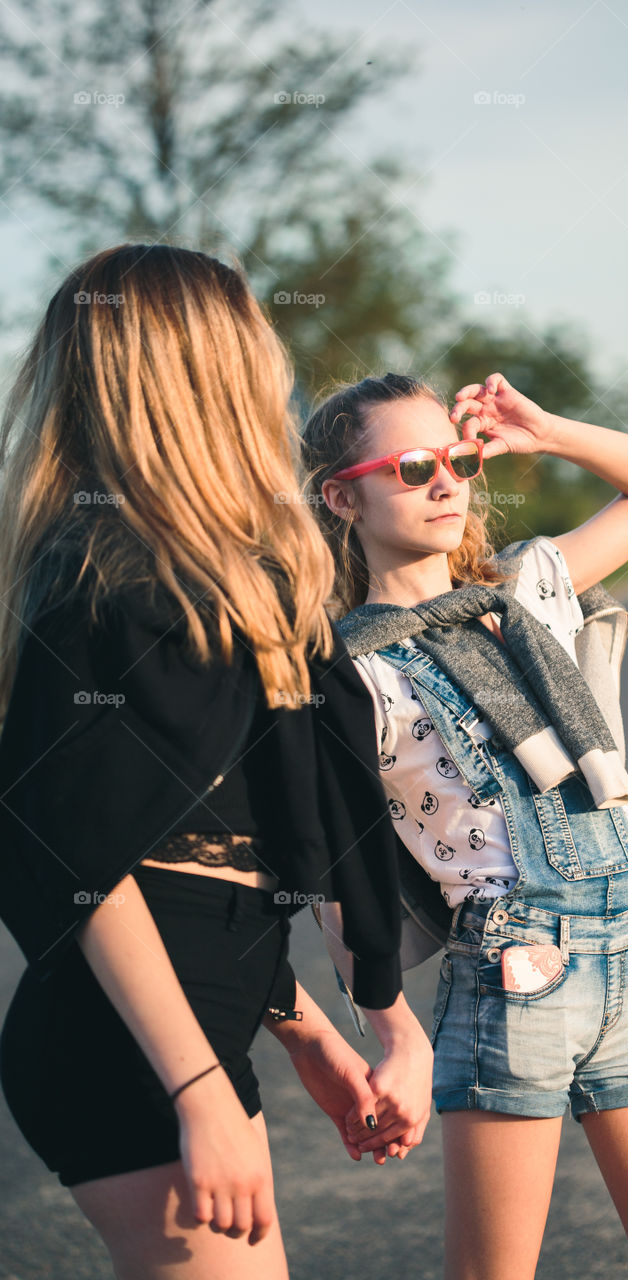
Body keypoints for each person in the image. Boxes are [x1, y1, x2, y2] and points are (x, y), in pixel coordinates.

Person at [0, 246, 432, 1279]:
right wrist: (196, 1088)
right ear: (206, 364)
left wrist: (309, 1030)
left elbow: (215, 850)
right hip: (130, 1049)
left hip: (193, 1021)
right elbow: (88, 863)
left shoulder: (220, 579)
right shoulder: (102, 582)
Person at [301, 371, 628, 1280]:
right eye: (412, 468)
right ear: (341, 497)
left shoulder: (523, 589)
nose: (446, 483)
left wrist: (545, 432)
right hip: (508, 975)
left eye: (456, 461)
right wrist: (387, 1031)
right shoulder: (340, 668)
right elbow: (340, 869)